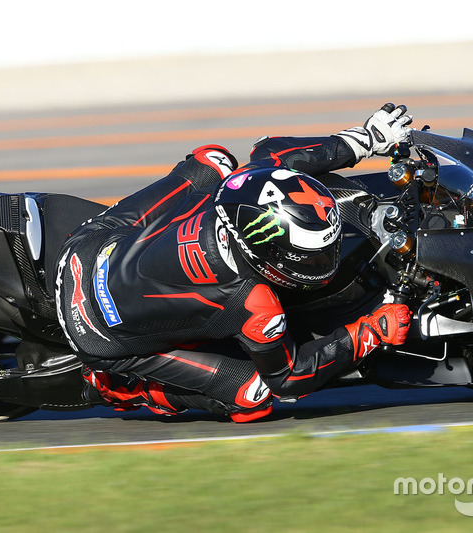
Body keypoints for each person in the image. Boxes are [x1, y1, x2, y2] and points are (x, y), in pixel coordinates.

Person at [55, 103, 413, 422]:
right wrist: (368, 333)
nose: (321, 261)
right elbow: (288, 380)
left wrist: (365, 138)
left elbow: (273, 153)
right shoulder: (256, 303)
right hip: (98, 333)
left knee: (213, 160)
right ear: (262, 252)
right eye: (309, 256)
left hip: (85, 249)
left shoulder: (241, 187)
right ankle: (126, 386)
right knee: (253, 396)